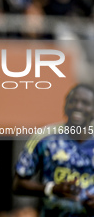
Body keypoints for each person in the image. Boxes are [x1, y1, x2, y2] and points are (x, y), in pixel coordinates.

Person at [13, 84, 94, 216]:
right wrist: (52, 189)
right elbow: (17, 184)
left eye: (85, 103)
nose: (78, 106)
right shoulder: (45, 138)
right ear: (65, 107)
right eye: (73, 101)